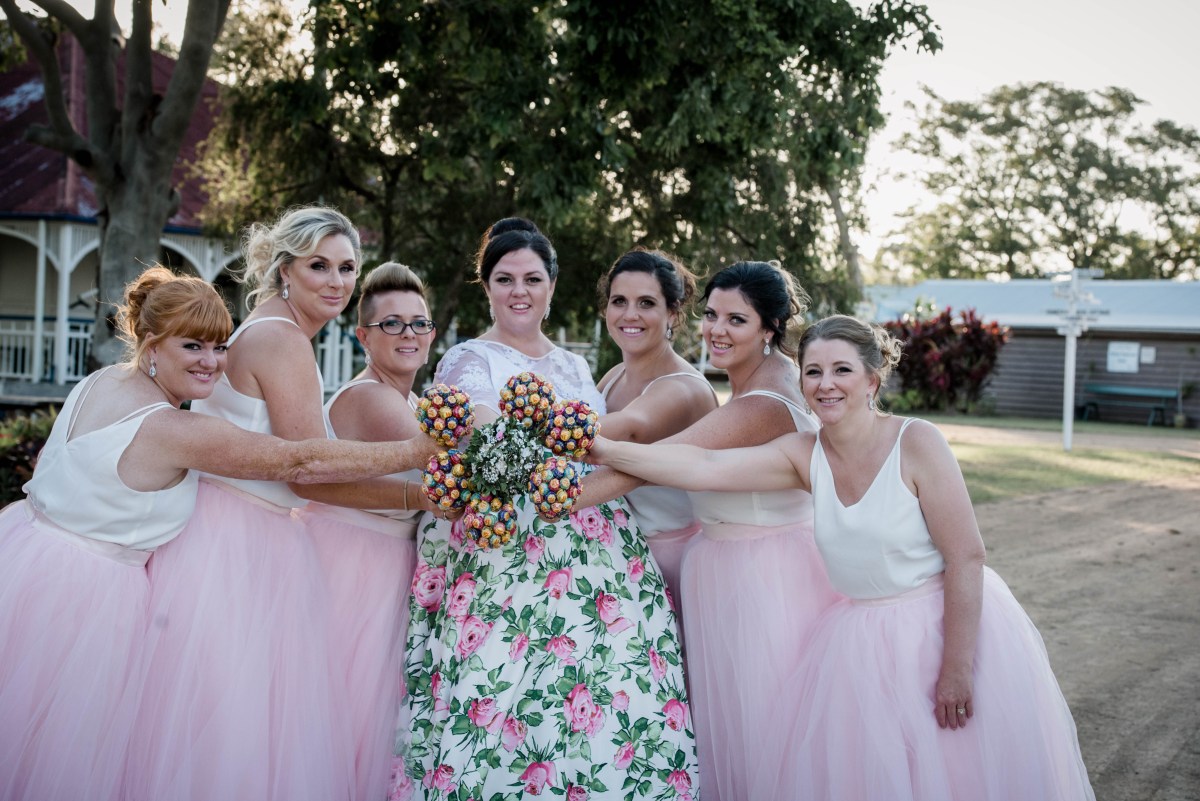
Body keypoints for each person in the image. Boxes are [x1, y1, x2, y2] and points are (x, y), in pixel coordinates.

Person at [591, 314, 1097, 801]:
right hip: (861, 645)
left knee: (951, 773)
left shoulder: (916, 441)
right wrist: (603, 449)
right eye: (813, 371)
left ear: (872, 380)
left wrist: (957, 669)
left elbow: (966, 557)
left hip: (939, 630)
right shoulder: (803, 453)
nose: (826, 384)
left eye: (842, 370)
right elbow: (702, 464)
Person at [0, 267, 436, 801]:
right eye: (192, 346)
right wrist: (416, 454)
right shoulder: (175, 430)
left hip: (24, 557)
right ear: (152, 346)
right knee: (66, 760)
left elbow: (58, 469)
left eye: (219, 346)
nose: (210, 361)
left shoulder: (99, 382)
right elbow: (299, 460)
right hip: (88, 600)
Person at [390, 219, 699, 800]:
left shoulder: (577, 367)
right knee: (505, 694)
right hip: (506, 545)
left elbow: (600, 442)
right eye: (504, 279)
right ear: (486, 287)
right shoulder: (467, 359)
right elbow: (485, 439)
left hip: (598, 546)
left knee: (602, 690)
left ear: (552, 286)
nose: (519, 291)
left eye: (532, 278)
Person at [130, 207, 428, 800]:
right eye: (319, 266)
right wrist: (422, 487)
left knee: (229, 720)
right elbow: (308, 473)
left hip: (230, 524)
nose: (337, 282)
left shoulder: (269, 329)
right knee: (239, 728)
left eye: (347, 267)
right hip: (239, 539)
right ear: (284, 269)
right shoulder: (283, 340)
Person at [579, 260, 840, 801]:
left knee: (761, 731)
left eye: (736, 320)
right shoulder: (758, 383)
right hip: (742, 570)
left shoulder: (764, 403)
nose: (717, 330)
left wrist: (559, 494)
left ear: (770, 328)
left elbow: (662, 461)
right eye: (713, 315)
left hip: (761, 585)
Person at [295, 262, 439, 801]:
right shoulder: (371, 399)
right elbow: (450, 471)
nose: (408, 334)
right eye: (391, 324)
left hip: (381, 561)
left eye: (419, 323)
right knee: (345, 709)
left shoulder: (411, 402)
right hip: (351, 562)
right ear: (363, 336)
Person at [594, 247, 717, 606]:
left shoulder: (683, 388)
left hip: (665, 560)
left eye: (646, 303)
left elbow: (630, 427)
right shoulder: (614, 376)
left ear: (672, 314)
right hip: (613, 554)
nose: (630, 314)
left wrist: (521, 426)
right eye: (619, 301)